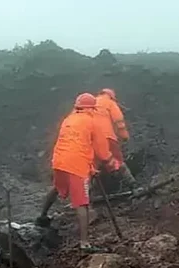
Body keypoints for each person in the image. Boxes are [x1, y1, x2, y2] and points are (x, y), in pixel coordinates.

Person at [36, 93, 120, 252]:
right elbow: (102, 151)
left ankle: (42, 217)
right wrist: (111, 163)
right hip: (76, 165)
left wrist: (91, 166)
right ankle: (85, 243)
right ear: (92, 108)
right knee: (82, 202)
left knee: (57, 188)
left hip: (60, 161)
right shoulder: (93, 122)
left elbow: (77, 143)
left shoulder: (68, 119)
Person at [95, 88, 135, 184]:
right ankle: (132, 184)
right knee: (118, 161)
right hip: (107, 137)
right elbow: (119, 123)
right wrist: (125, 137)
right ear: (112, 97)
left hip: (91, 139)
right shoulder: (110, 103)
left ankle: (92, 191)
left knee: (94, 166)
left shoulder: (90, 103)